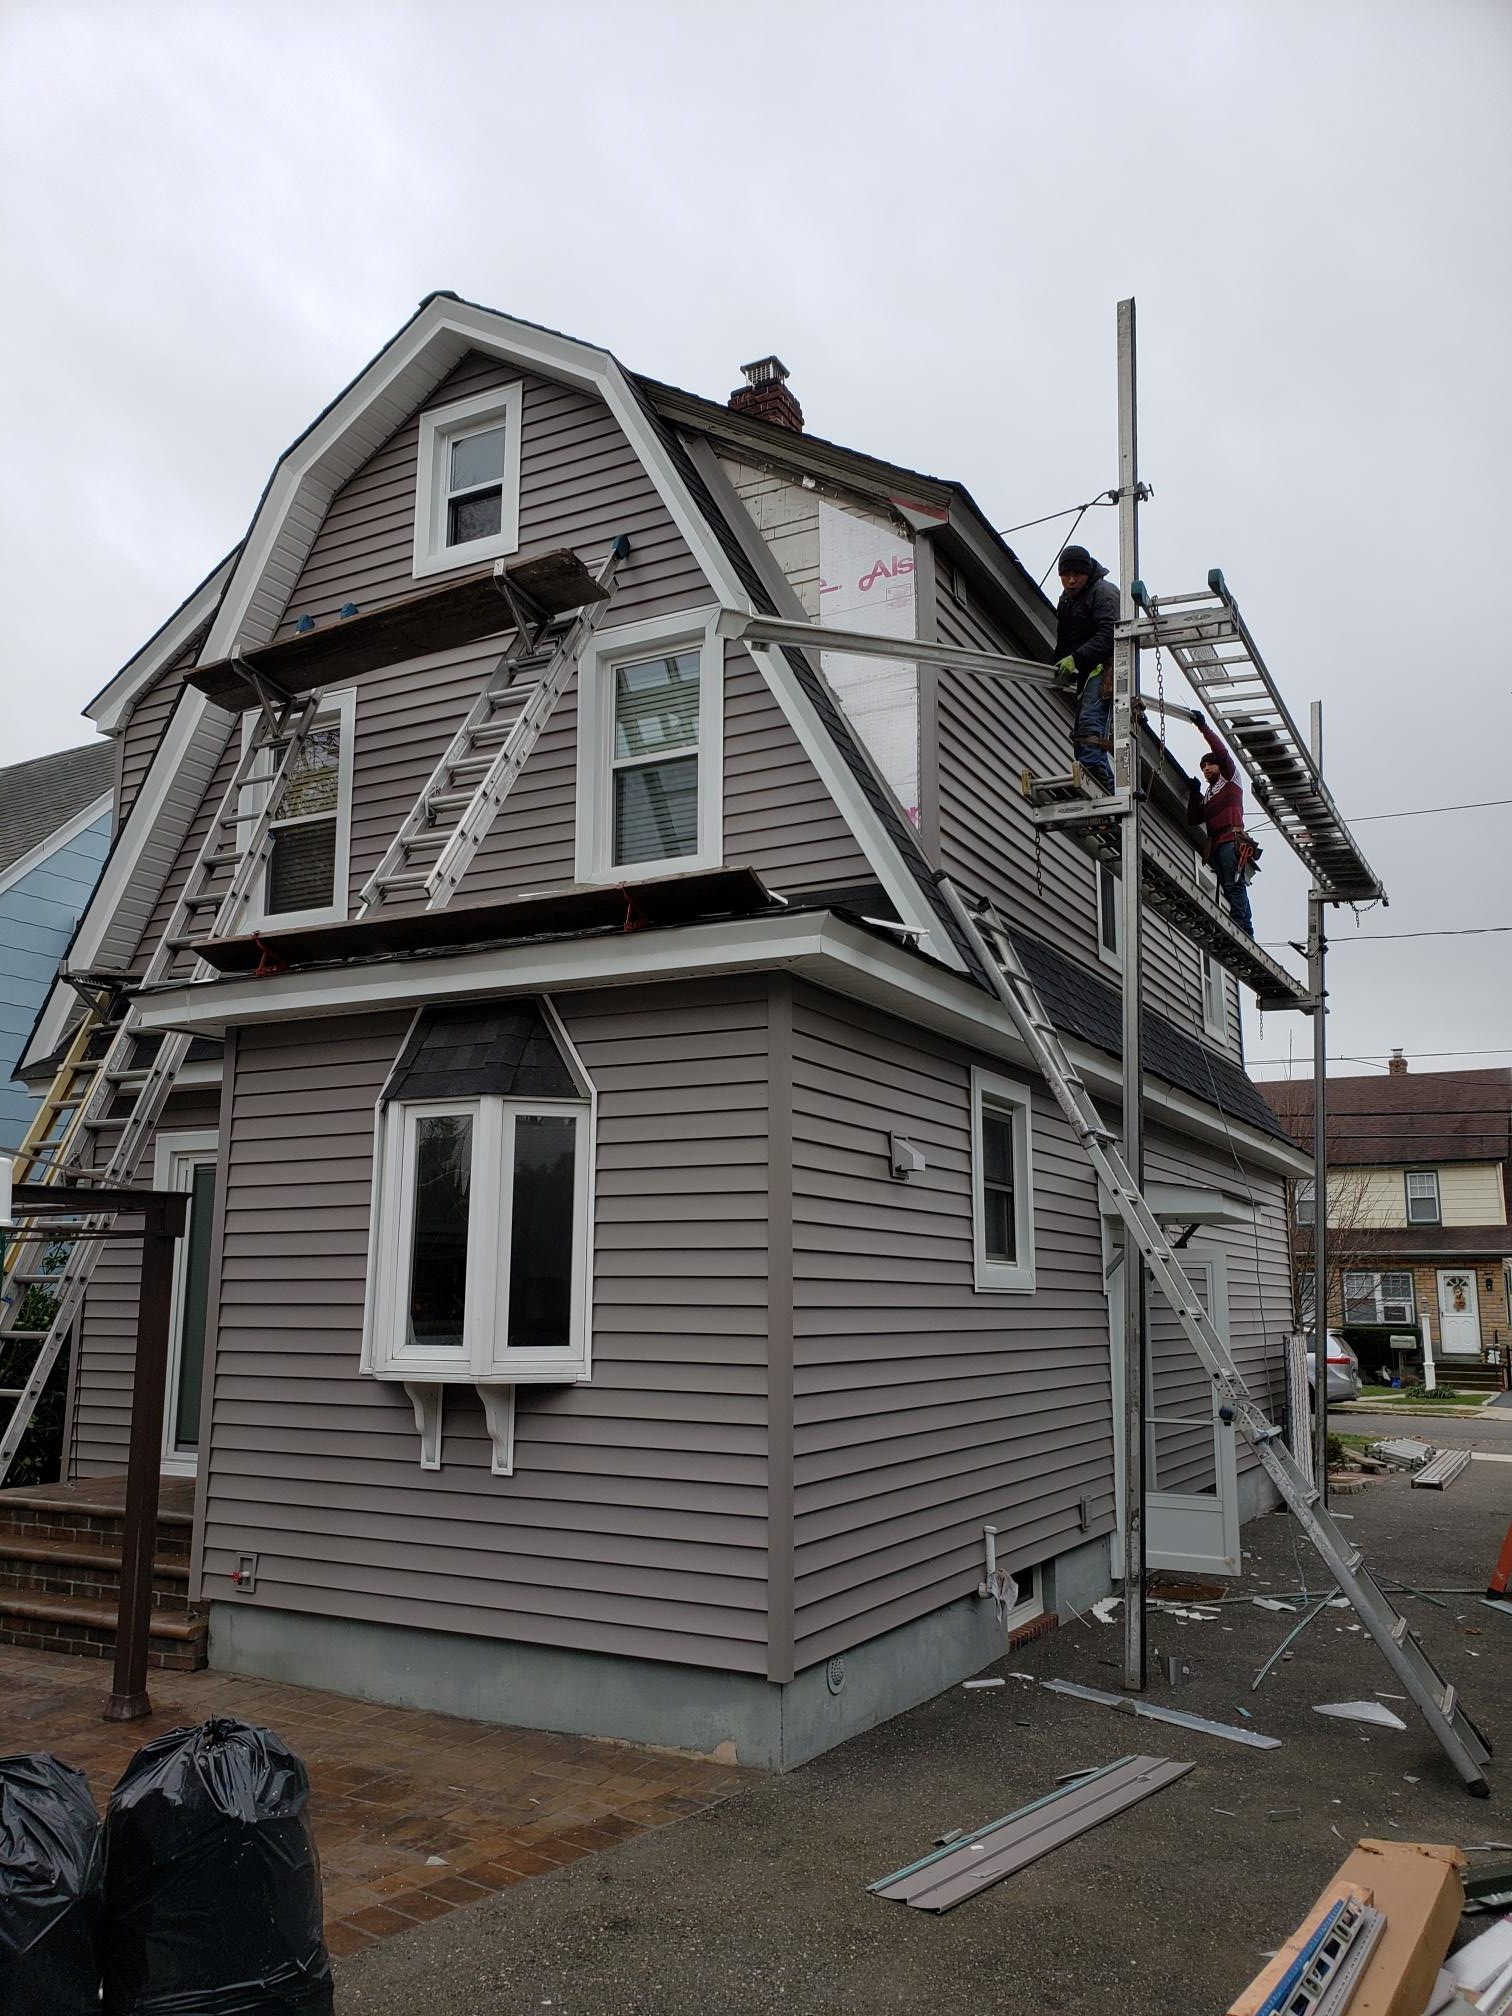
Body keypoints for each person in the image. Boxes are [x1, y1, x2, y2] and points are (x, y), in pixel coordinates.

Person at [1052, 545, 1120, 791]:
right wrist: (1055, 665)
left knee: (1090, 737)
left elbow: (1109, 634)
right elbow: (1064, 642)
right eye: (1065, 575)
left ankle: (1106, 797)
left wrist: (1075, 659)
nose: (1070, 580)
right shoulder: (1067, 601)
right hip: (1087, 670)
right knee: (1082, 741)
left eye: (1076, 575)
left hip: (1106, 669)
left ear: (1087, 572)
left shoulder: (1103, 592)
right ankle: (1106, 795)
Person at [1186, 710, 1254, 935]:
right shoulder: (1209, 794)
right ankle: (1245, 930)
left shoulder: (1229, 778)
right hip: (1217, 844)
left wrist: (1203, 727)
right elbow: (1194, 818)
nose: (1206, 769)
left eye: (1209, 765)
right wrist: (1195, 794)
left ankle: (1240, 928)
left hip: (1231, 840)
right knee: (1231, 887)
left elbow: (1221, 752)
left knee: (1235, 886)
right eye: (1203, 767)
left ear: (1218, 767)